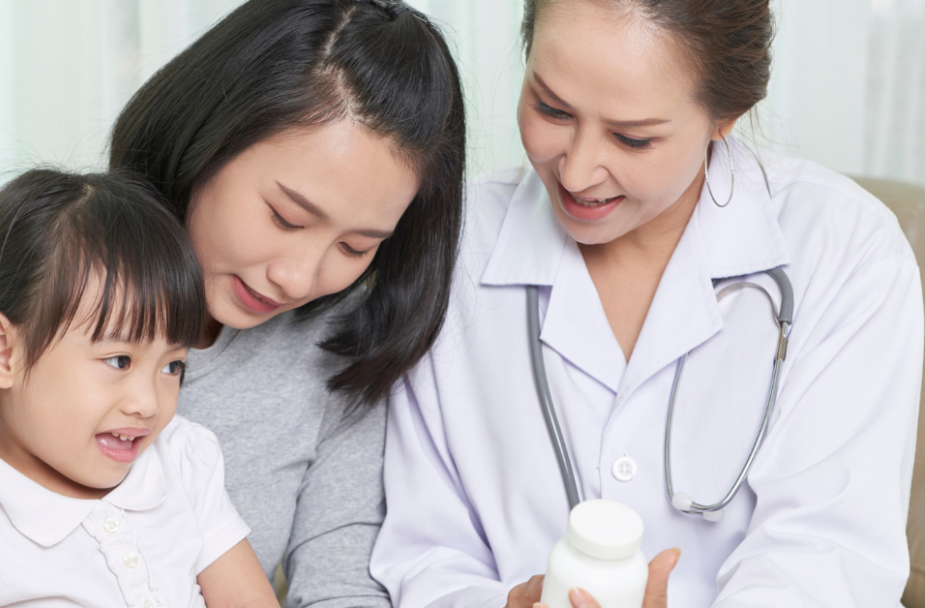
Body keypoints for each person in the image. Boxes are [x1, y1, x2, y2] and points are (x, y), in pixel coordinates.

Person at [0, 0, 466, 605]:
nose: (298, 278)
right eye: (284, 216)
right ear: (208, 139)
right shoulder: (0, 286)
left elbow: (341, 586)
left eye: (356, 247)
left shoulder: (331, 352)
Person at [369, 1, 922, 607]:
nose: (577, 172)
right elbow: (422, 549)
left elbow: (829, 559)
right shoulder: (449, 243)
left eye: (633, 138)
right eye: (551, 108)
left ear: (725, 116)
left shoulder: (846, 251)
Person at [0, 169, 279, 607]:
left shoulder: (183, 461)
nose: (148, 404)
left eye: (172, 367)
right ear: (3, 352)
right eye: (119, 360)